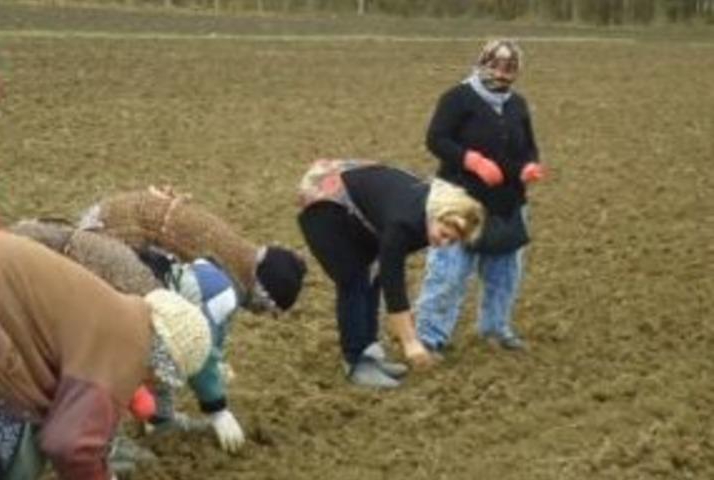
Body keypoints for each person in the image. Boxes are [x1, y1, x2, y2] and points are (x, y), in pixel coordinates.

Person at [0, 230, 213, 479]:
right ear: (165, 357)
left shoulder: (120, 310)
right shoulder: (128, 346)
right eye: (160, 376)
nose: (152, 382)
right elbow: (70, 444)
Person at [10, 219, 247, 453]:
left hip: (29, 253)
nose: (156, 380)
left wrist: (158, 416)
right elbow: (91, 376)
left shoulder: (148, 310)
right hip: (19, 272)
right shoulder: (120, 315)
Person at [296, 159, 484, 388]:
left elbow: (383, 271)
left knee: (372, 272)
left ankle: (370, 352)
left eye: (452, 241)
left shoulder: (427, 217)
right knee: (353, 279)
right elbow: (393, 283)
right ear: (436, 214)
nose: (443, 244)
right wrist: (411, 343)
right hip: (324, 200)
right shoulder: (404, 224)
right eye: (444, 234)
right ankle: (355, 361)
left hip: (359, 202)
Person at [416, 39, 545, 356]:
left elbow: (528, 146)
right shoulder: (457, 98)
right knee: (449, 273)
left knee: (504, 274)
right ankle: (430, 337)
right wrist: (471, 160)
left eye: (510, 68)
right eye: (497, 66)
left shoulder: (518, 104)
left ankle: (496, 329)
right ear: (483, 62)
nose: (502, 74)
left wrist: (529, 166)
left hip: (507, 202)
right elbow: (436, 139)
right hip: (459, 198)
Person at [79, 185, 307, 315]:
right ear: (263, 295)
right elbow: (203, 337)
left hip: (113, 214)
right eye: (268, 312)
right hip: (119, 234)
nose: (262, 315)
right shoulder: (231, 285)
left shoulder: (237, 251)